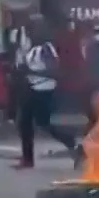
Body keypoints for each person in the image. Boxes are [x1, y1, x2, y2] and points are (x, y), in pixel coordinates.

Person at [11, 13, 85, 170]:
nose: (29, 32)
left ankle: (73, 144)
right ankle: (28, 158)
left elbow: (55, 71)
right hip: (34, 88)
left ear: (40, 30)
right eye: (29, 29)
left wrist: (30, 71)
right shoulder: (35, 48)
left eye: (32, 28)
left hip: (43, 90)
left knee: (42, 124)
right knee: (25, 122)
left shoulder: (46, 48)